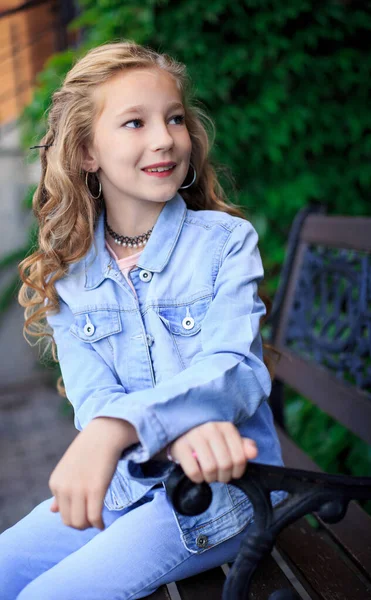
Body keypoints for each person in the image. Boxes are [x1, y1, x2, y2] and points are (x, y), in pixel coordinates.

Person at [0, 40, 285, 599]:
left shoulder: (225, 243)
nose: (164, 138)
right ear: (86, 152)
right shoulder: (69, 273)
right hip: (125, 487)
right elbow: (94, 398)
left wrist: (120, 428)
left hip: (223, 496)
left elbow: (232, 370)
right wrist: (170, 424)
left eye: (175, 118)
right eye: (135, 122)